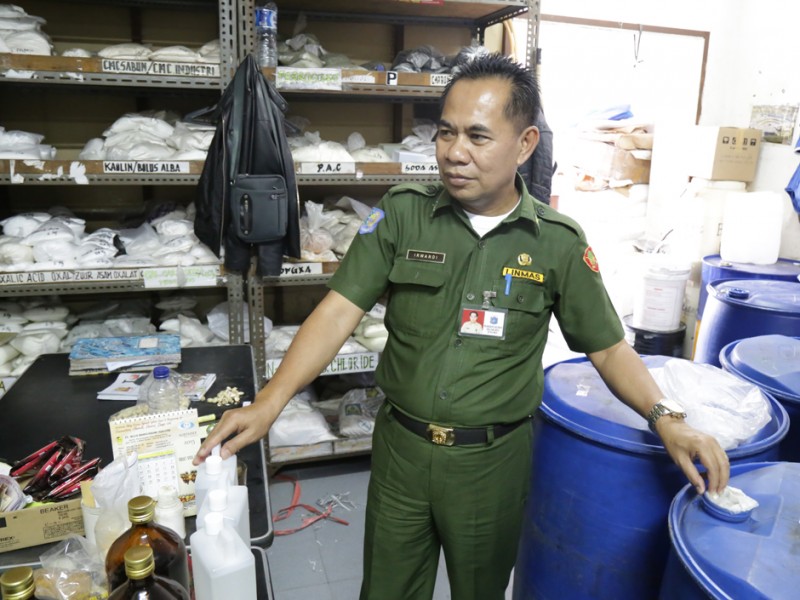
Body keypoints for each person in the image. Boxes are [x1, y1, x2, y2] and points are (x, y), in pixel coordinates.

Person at [195, 53, 729, 600]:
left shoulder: (557, 243)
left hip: (491, 465)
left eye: (477, 136)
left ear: (525, 144)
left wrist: (667, 419)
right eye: (446, 133)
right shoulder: (403, 213)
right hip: (401, 453)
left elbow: (609, 349)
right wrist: (269, 403)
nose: (454, 152)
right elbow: (338, 310)